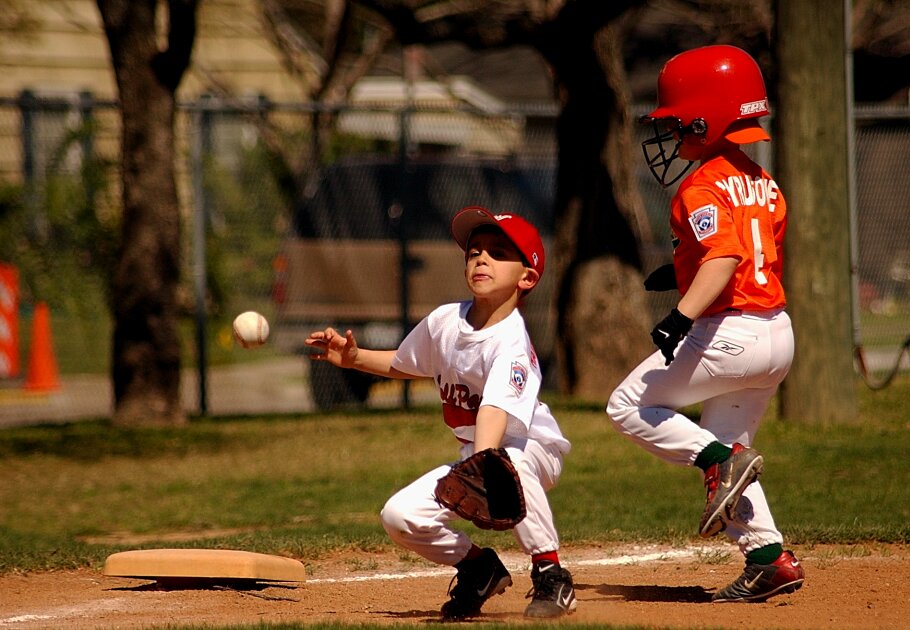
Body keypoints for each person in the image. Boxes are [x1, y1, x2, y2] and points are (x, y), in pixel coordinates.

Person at [305, 206, 577, 620]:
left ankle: (552, 574)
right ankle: (479, 569)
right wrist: (355, 357)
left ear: (527, 278)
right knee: (400, 516)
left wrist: (482, 463)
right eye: (474, 251)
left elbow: (494, 413)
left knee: (510, 460)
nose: (481, 258)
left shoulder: (512, 344)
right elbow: (404, 362)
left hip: (532, 448)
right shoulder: (445, 321)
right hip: (479, 454)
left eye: (498, 252)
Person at [606, 44, 805, 603]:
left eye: (676, 124)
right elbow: (746, 250)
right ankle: (769, 558)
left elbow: (724, 258)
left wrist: (679, 315)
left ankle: (722, 462)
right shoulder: (762, 180)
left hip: (730, 334)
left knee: (627, 405)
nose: (671, 136)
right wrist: (681, 269)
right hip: (776, 332)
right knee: (727, 442)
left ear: (706, 119)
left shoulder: (700, 185)